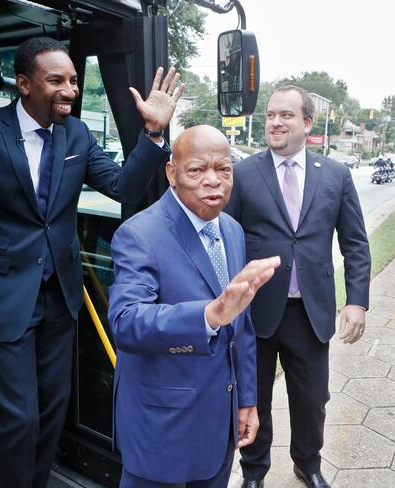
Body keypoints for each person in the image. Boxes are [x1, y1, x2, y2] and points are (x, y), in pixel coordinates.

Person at [0, 36, 185, 488]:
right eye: (57, 80)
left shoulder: (78, 135)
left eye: (72, 80)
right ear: (24, 83)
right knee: (21, 417)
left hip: (60, 297)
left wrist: (153, 134)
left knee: (52, 413)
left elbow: (124, 188)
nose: (69, 89)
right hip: (0, 297)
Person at [107, 125, 281, 487]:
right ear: (172, 173)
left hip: (219, 428)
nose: (213, 181)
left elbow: (242, 327)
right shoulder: (139, 234)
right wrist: (208, 316)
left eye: (223, 169)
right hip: (162, 431)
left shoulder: (231, 229)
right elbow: (125, 321)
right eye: (197, 170)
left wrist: (247, 400)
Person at [225, 85, 371, 488]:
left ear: (307, 123)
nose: (274, 122)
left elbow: (355, 242)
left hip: (310, 312)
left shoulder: (336, 176)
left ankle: (307, 464)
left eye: (285, 115)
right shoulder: (242, 173)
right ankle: (254, 472)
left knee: (312, 401)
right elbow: (225, 239)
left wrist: (357, 302)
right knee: (254, 399)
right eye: (270, 114)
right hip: (255, 312)